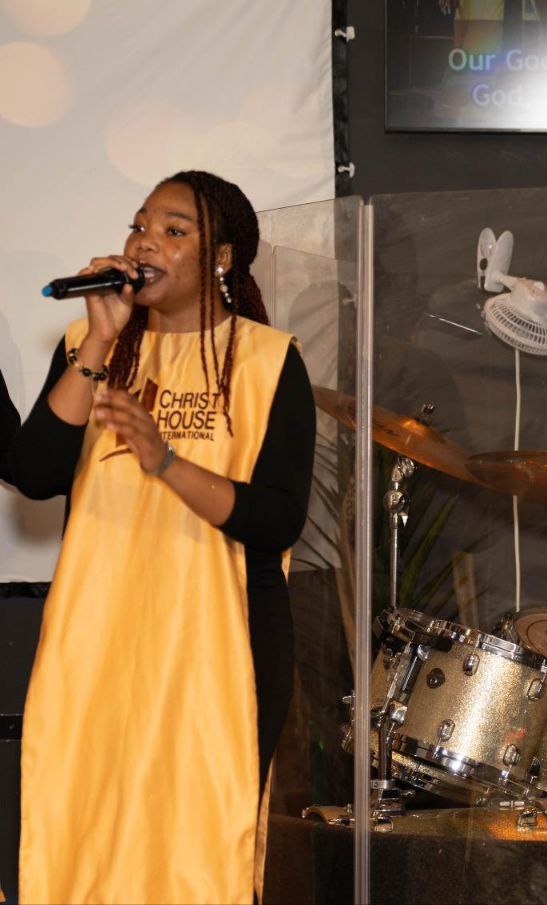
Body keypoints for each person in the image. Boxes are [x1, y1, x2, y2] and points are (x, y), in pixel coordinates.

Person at [10, 171, 315, 903]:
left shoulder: (268, 359)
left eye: (173, 231)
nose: (145, 242)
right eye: (140, 225)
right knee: (82, 833)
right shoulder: (90, 347)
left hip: (218, 645)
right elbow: (34, 473)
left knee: (193, 848)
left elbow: (277, 518)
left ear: (222, 258)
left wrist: (167, 462)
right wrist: (99, 339)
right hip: (96, 637)